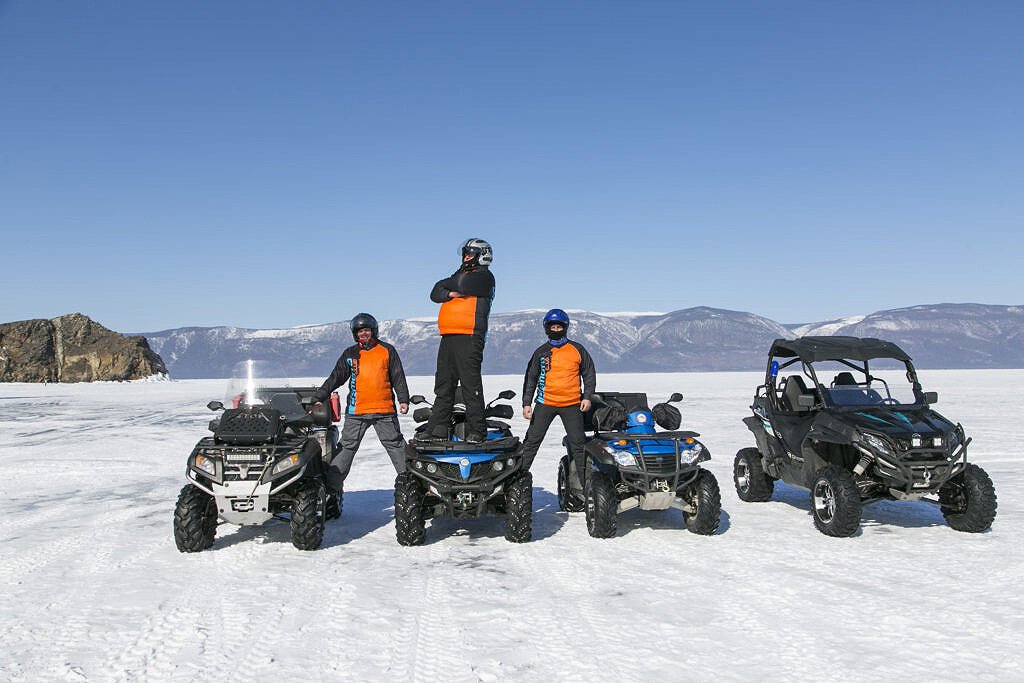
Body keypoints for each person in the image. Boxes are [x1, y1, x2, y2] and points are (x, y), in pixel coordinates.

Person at [312, 313, 410, 493]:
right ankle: (330, 489)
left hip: (384, 410)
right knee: (347, 447)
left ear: (374, 331)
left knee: (396, 445)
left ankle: (412, 483)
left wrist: (403, 399)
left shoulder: (387, 350)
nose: (363, 334)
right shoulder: (350, 354)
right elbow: (336, 377)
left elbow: (398, 377)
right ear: (355, 334)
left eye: (366, 330)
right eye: (360, 332)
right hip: (357, 411)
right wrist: (319, 396)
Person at [420, 238, 496, 442]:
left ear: (482, 255)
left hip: (469, 336)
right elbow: (435, 292)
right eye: (465, 253)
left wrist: (448, 288)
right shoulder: (460, 274)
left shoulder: (485, 277)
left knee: (470, 386)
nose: (466, 257)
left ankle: (477, 431)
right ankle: (438, 428)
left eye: (470, 254)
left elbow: (460, 284)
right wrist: (451, 290)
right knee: (444, 385)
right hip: (448, 336)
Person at [520, 309, 596, 484]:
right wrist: (526, 403)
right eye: (552, 326)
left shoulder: (577, 349)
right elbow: (530, 378)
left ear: (565, 327)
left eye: (559, 326)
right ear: (547, 328)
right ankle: (518, 480)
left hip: (572, 405)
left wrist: (587, 397)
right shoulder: (541, 352)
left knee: (578, 446)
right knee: (531, 442)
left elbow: (589, 374)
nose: (556, 329)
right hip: (545, 403)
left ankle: (587, 487)